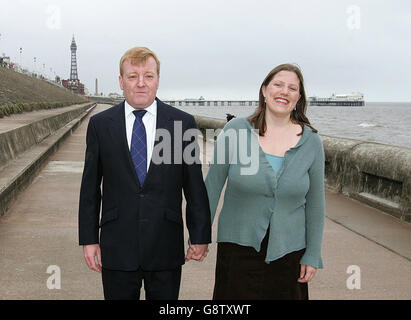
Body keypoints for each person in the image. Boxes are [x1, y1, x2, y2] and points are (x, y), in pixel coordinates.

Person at [78, 47, 211, 300]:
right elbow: (90, 188)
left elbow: (194, 185)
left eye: (148, 76)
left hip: (165, 245)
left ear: (158, 80)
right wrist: (89, 239)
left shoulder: (182, 124)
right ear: (121, 81)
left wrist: (200, 234)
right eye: (132, 76)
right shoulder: (100, 125)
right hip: (117, 245)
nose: (141, 83)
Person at [205, 63, 325, 300]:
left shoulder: (311, 142)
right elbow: (212, 187)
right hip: (237, 249)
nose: (284, 92)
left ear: (298, 97)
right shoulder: (236, 131)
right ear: (264, 90)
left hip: (289, 254)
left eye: (292, 88)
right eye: (278, 85)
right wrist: (200, 236)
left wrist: (312, 254)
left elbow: (316, 204)